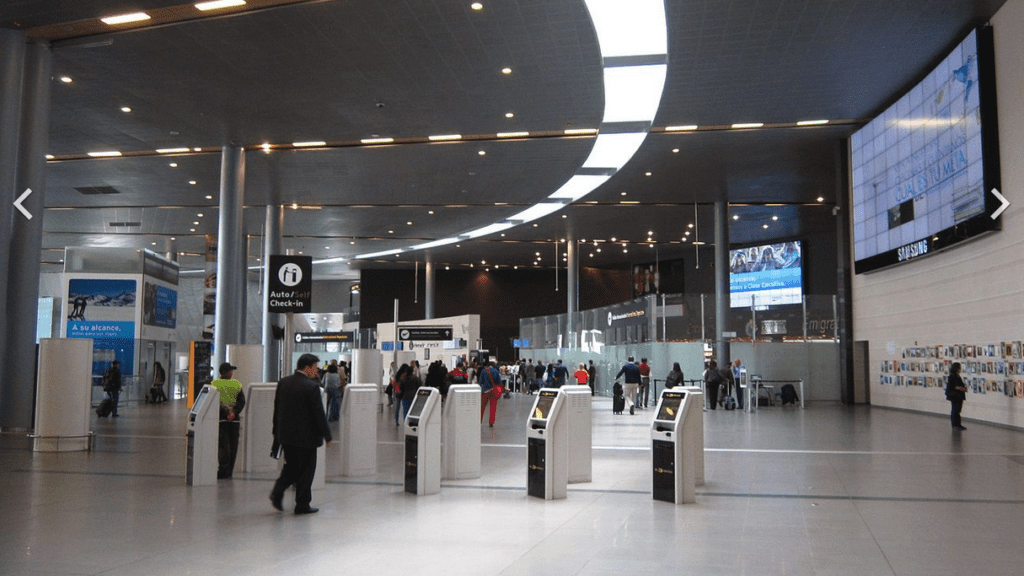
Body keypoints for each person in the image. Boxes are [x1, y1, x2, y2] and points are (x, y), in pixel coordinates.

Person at [270, 353, 332, 515]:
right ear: (307, 368)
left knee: (291, 468)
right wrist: (327, 435)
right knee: (306, 471)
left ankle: (277, 492)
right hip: (307, 438)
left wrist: (276, 432)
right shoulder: (311, 387)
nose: (317, 372)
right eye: (315, 368)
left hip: (286, 436)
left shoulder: (283, 383)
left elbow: (277, 409)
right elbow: (318, 414)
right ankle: (302, 504)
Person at [211, 362, 246, 479]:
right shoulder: (237, 384)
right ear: (227, 372)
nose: (232, 373)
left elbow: (214, 402)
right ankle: (229, 471)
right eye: (230, 371)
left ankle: (223, 471)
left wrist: (226, 413)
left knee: (223, 446)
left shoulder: (214, 384)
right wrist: (234, 412)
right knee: (233, 446)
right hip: (234, 420)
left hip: (221, 420)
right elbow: (242, 401)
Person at [479, 361, 503, 427]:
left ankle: (480, 420)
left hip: (485, 391)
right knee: (493, 406)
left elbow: (481, 381)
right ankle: (491, 422)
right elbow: (499, 381)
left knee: (482, 407)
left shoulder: (483, 371)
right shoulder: (496, 371)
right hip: (493, 390)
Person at [945, 362, 968, 430]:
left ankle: (958, 424)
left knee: (958, 410)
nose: (960, 369)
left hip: (959, 396)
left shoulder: (957, 376)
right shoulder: (952, 376)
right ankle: (955, 425)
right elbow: (953, 386)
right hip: (955, 396)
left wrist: (963, 388)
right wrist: (961, 388)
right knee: (955, 410)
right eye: (959, 368)